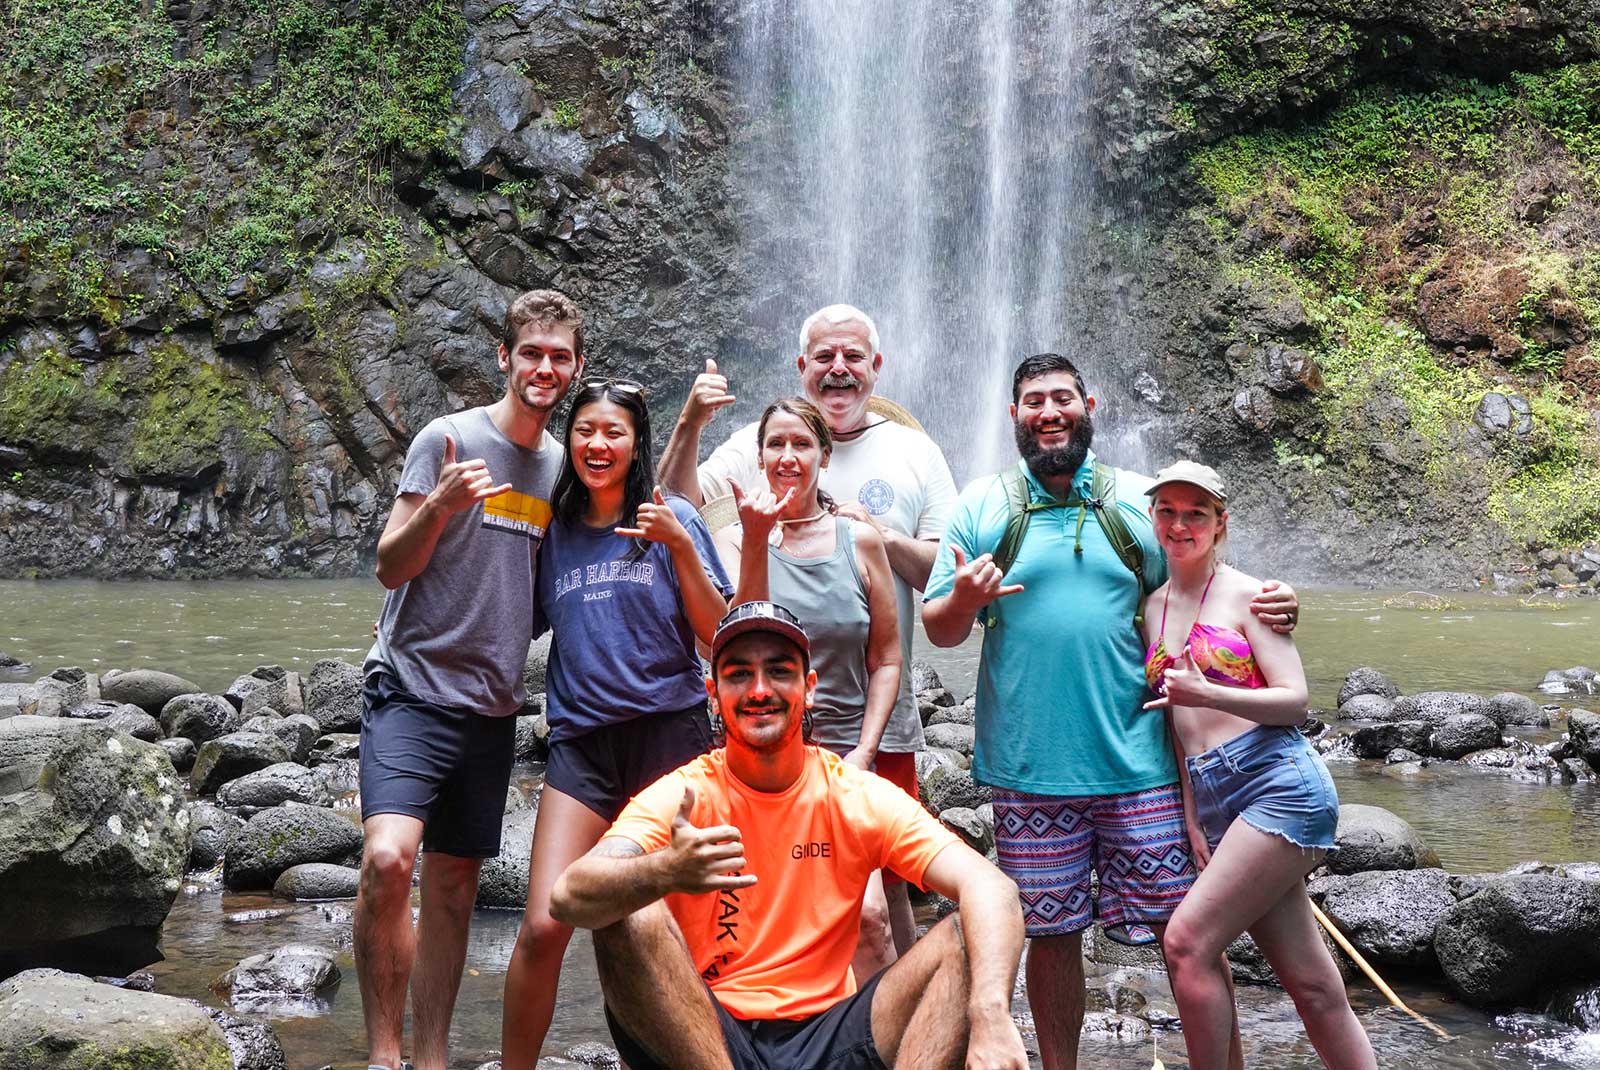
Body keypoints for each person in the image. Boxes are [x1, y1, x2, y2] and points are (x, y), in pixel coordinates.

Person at [921, 353, 1300, 1070]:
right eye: (1034, 400)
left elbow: (1204, 586)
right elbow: (939, 628)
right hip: (1031, 769)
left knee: (1187, 933)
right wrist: (966, 598)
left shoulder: (1136, 501)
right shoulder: (981, 506)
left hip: (1141, 765)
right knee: (1052, 934)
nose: (1050, 412)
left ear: (1089, 405)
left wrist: (1273, 605)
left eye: (1062, 397)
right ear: (1014, 415)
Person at [548, 601, 1029, 1070]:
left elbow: (993, 888)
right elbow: (569, 895)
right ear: (713, 694)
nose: (760, 690)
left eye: (779, 671)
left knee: (970, 933)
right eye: (739, 675)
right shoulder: (685, 794)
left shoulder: (852, 794)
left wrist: (990, 1015)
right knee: (627, 906)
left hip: (830, 1035)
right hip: (705, 1036)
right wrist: (664, 870)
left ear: (810, 688)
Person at [658, 304, 955, 952]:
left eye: (853, 357)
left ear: (876, 368)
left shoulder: (914, 451)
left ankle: (895, 1028)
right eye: (825, 357)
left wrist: (878, 537)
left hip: (869, 713)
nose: (839, 369)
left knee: (887, 878)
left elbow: (947, 568)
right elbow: (675, 504)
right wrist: (691, 422)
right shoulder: (753, 454)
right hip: (772, 725)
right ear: (802, 367)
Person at [356, 289, 583, 1070]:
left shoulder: (563, 469)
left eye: (559, 357)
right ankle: (385, 1056)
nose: (543, 368)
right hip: (411, 687)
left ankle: (433, 1059)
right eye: (531, 353)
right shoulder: (447, 441)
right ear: (505, 359)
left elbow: (554, 591)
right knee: (389, 859)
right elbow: (391, 565)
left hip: (492, 706)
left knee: (453, 888)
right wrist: (441, 508)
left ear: (574, 368)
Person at [499, 379, 734, 1069]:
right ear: (569, 442)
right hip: (583, 747)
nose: (598, 445)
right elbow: (510, 611)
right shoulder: (554, 529)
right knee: (544, 926)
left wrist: (681, 547)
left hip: (671, 739)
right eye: (585, 432)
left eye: (615, 433)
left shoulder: (672, 514)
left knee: (676, 926)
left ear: (637, 446)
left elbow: (718, 640)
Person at [1140, 461, 1375, 1070]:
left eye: (1196, 513)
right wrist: (1194, 816)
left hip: (1277, 783)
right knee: (1315, 987)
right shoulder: (1153, 607)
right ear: (1153, 517)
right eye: (1168, 511)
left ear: (1221, 524)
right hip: (1215, 796)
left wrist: (1210, 693)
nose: (1180, 524)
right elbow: (1175, 723)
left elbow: (1294, 700)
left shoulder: (1252, 595)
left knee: (1187, 942)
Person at [712, 397, 903, 975]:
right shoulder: (743, 537)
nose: (788, 457)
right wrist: (754, 536)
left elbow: (888, 658)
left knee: (871, 917)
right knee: (772, 916)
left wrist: (866, 752)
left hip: (848, 754)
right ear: (760, 454)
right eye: (776, 445)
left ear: (824, 454)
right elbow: (735, 642)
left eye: (802, 444)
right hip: (767, 759)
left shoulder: (859, 540)